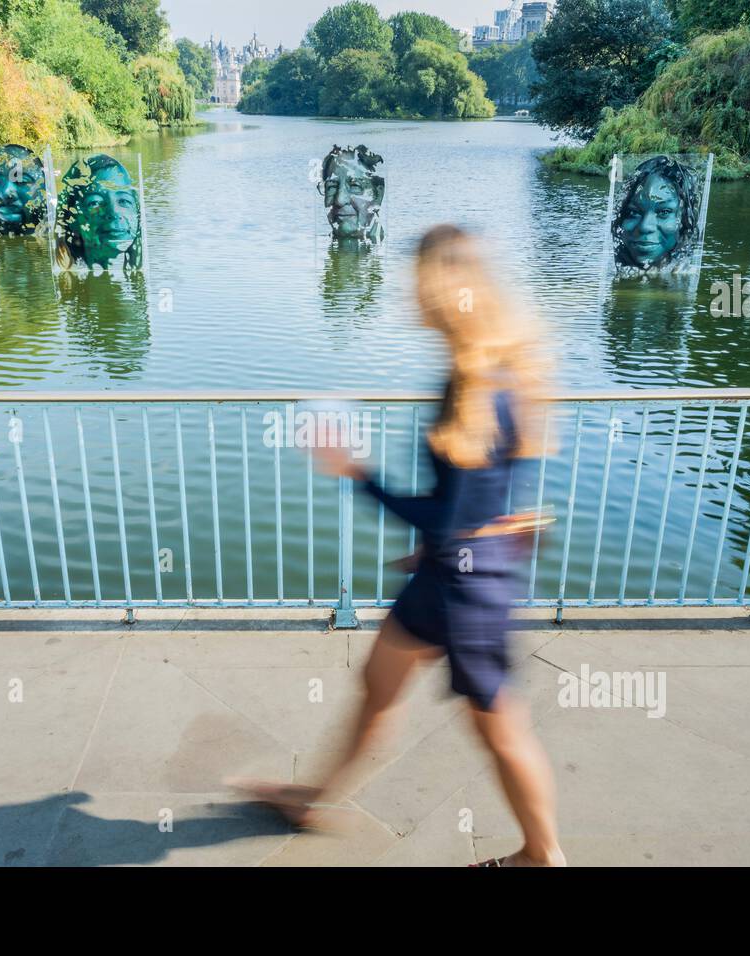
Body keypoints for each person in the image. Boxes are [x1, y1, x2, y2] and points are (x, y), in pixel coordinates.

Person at [234, 224, 565, 868]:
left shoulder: (477, 386)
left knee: (499, 729)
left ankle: (544, 857)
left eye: (415, 283)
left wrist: (357, 474)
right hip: (451, 574)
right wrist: (480, 532)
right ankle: (309, 800)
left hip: (465, 589)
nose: (406, 296)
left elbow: (451, 513)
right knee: (380, 686)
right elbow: (479, 491)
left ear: (445, 292)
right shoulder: (488, 371)